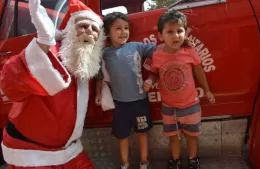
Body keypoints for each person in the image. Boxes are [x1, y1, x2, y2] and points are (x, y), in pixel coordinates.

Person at [0, 0, 105, 168]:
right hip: (30, 152)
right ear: (69, 30)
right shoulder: (50, 52)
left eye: (95, 30)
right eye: (83, 26)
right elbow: (9, 85)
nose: (89, 32)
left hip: (69, 151)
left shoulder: (89, 64)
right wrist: (42, 45)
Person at [143, 10, 215, 169]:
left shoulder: (189, 51)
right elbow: (155, 73)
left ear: (185, 32)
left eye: (180, 31)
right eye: (170, 32)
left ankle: (193, 159)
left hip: (191, 105)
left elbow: (198, 71)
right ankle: (175, 160)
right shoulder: (158, 54)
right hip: (169, 108)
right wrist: (150, 80)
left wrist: (207, 90)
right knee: (173, 137)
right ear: (160, 35)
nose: (176, 36)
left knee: (191, 136)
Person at [95, 12, 156, 169]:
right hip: (120, 105)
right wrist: (97, 94)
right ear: (107, 33)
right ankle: (124, 164)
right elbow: (99, 75)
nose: (124, 32)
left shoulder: (137, 47)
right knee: (123, 136)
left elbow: (159, 50)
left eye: (126, 28)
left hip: (140, 102)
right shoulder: (104, 54)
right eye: (118, 29)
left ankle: (144, 162)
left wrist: (179, 43)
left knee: (143, 133)